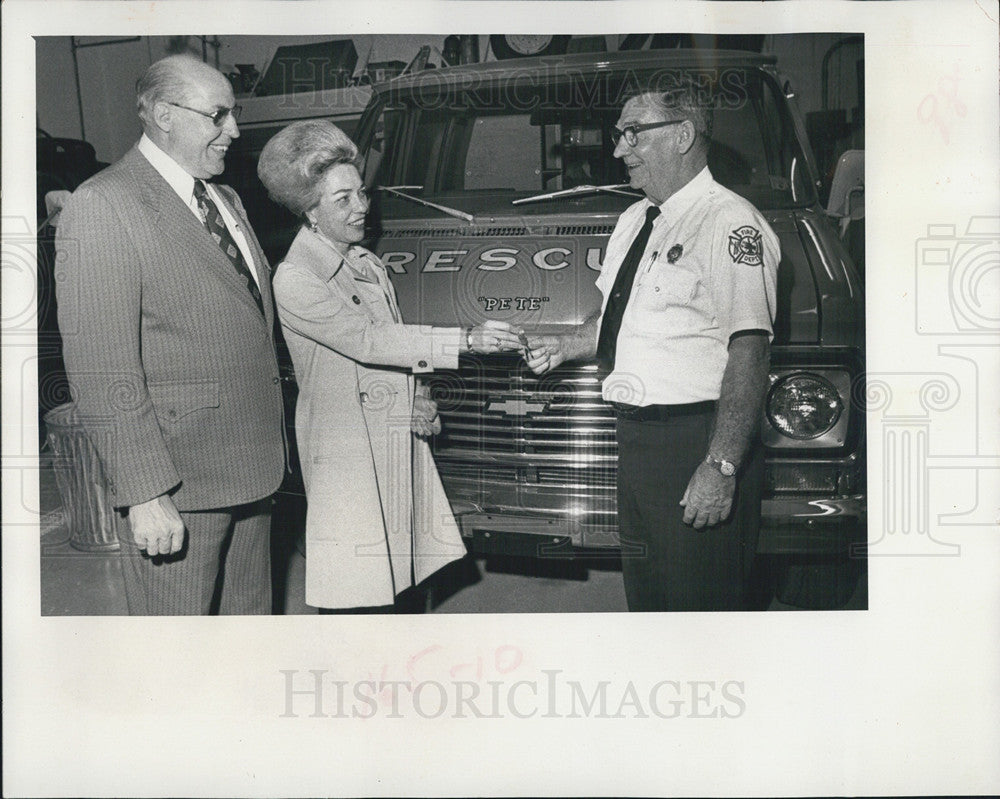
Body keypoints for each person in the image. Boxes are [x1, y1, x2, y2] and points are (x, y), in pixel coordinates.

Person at [525, 81, 779, 612]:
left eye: (632, 134)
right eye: (620, 136)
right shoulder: (635, 219)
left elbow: (750, 350)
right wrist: (566, 344)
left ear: (683, 135)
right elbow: (616, 318)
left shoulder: (730, 222)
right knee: (651, 601)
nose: (619, 150)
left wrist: (722, 466)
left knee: (701, 610)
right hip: (638, 442)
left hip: (696, 441)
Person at [257, 120, 523, 613]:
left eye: (361, 192)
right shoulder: (294, 279)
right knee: (358, 593)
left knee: (405, 583)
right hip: (346, 450)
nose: (361, 207)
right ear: (309, 211)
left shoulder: (367, 263)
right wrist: (466, 340)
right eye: (343, 200)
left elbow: (401, 340)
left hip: (396, 438)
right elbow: (369, 340)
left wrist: (423, 398)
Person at [55, 55, 285, 615]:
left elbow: (252, 322)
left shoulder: (225, 200)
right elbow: (100, 367)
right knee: (174, 659)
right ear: (163, 114)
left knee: (246, 633)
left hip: (254, 465)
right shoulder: (104, 205)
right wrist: (144, 492)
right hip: (180, 484)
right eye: (218, 115)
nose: (233, 130)